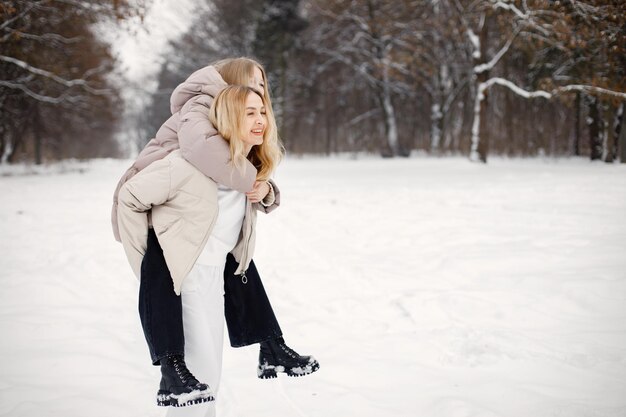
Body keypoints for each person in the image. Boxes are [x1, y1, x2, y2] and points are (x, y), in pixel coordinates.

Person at [112, 59, 319, 406]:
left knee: (208, 379)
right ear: (227, 103)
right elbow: (132, 196)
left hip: (212, 274)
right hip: (182, 265)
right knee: (197, 378)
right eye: (250, 106)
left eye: (262, 104)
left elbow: (241, 204)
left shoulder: (236, 168)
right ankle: (176, 366)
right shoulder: (194, 142)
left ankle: (271, 343)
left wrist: (264, 189)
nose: (261, 111)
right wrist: (147, 262)